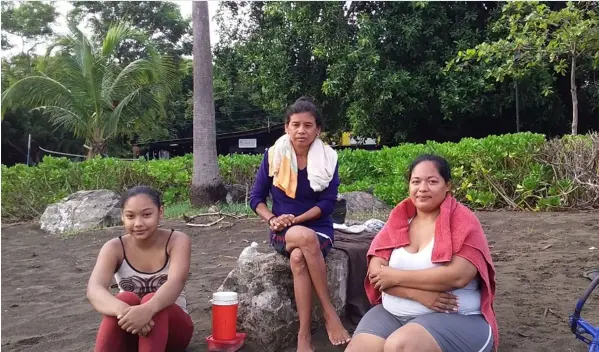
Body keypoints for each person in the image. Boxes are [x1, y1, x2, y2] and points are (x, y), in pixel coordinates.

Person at [346, 155, 498, 352]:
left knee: (399, 346)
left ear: (448, 185)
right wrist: (418, 295)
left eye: (432, 181)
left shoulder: (463, 222)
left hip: (457, 317)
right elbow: (377, 274)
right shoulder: (399, 221)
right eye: (416, 181)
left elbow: (458, 276)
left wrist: (394, 276)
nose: (422, 188)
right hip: (393, 313)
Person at [250, 97, 351, 352]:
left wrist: (297, 219)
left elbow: (328, 203)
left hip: (319, 230)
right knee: (302, 239)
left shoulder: (328, 158)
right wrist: (273, 219)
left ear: (318, 130)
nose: (301, 130)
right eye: (295, 124)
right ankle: (330, 314)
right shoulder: (273, 156)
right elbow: (256, 199)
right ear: (286, 127)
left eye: (308, 125)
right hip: (282, 231)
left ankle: (303, 335)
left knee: (298, 258)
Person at [87, 186, 193, 352]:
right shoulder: (114, 247)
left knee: (152, 298)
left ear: (161, 212)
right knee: (125, 298)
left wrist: (148, 310)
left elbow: (176, 282)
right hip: (131, 330)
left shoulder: (177, 241)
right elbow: (94, 290)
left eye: (146, 215)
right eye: (130, 216)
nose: (138, 223)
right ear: (122, 216)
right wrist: (125, 311)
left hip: (173, 333)